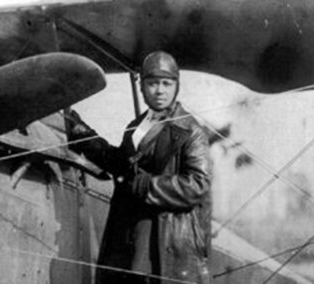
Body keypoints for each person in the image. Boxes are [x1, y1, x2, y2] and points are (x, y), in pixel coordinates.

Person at [67, 51, 212, 284]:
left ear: (176, 86)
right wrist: (85, 137)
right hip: (127, 240)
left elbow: (197, 185)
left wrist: (146, 185)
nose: (160, 90)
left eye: (167, 83)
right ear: (142, 86)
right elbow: (122, 166)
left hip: (161, 246)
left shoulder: (191, 131)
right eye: (153, 83)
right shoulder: (137, 126)